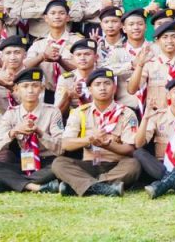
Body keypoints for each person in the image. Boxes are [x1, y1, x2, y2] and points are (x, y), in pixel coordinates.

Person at [53, 68, 141, 196]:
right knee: (59, 163)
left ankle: (83, 185)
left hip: (115, 164)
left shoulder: (127, 113)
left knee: (134, 165)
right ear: (90, 89)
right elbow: (66, 144)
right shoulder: (80, 112)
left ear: (114, 88)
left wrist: (107, 145)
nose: (102, 88)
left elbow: (130, 149)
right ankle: (104, 187)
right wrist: (89, 139)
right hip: (89, 164)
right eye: (97, 84)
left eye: (107, 83)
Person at [0, 67, 64, 193]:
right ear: (16, 90)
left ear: (42, 88)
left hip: (47, 162)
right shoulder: (11, 113)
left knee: (60, 165)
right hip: (24, 162)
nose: (30, 90)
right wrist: (14, 131)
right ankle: (36, 187)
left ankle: (10, 182)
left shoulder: (52, 111)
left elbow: (61, 147)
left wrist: (40, 133)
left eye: (35, 86)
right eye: (25, 86)